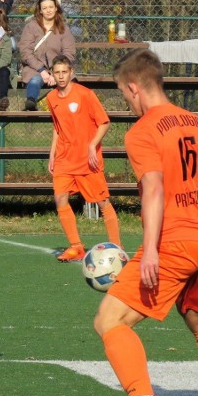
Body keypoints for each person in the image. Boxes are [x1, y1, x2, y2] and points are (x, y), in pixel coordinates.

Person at [92, 49, 198, 396]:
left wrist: (149, 250)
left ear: (134, 87)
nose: (127, 103)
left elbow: (153, 190)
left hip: (174, 244)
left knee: (110, 320)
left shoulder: (142, 131)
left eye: (124, 94)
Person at [46, 56, 120, 262]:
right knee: (60, 198)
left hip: (88, 161)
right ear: (52, 74)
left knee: (103, 202)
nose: (60, 76)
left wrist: (91, 145)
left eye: (64, 72)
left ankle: (117, 247)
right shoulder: (51, 98)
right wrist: (52, 153)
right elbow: (57, 128)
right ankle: (76, 247)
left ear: (71, 73)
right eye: (57, 72)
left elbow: (104, 122)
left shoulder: (86, 95)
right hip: (64, 159)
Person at [19, 0, 75, 111]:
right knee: (35, 79)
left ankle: (72, 105)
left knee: (68, 79)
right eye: (44, 8)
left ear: (56, 8)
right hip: (34, 66)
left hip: (58, 66)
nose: (48, 10)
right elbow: (25, 52)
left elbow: (69, 52)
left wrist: (57, 70)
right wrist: (42, 70)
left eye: (50, 7)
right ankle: (31, 102)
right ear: (40, 11)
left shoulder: (63, 28)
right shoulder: (31, 27)